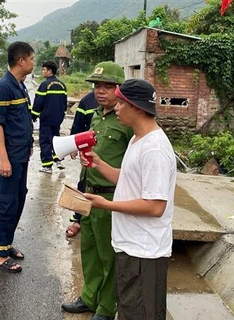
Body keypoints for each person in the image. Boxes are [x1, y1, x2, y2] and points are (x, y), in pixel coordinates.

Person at [83, 79, 176, 320]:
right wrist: (99, 164)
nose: (116, 108)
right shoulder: (137, 140)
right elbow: (130, 180)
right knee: (128, 310)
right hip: (129, 246)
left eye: (121, 103)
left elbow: (155, 206)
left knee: (140, 312)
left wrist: (107, 204)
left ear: (137, 107)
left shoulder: (154, 149)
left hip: (144, 252)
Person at [61, 61, 133, 320]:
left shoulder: (127, 120)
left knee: (109, 255)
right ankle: (89, 297)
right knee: (89, 250)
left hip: (110, 195)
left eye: (107, 86)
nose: (100, 91)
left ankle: (106, 306)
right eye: (97, 86)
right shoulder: (95, 115)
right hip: (88, 191)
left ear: (119, 89)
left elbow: (132, 162)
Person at [0, 41, 35, 273]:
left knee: (17, 200)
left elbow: (23, 120)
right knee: (5, 203)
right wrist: (3, 157)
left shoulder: (19, 86)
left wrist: (30, 144)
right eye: (31, 58)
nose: (34, 62)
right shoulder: (3, 87)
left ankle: (6, 243)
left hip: (21, 156)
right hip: (9, 158)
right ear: (21, 60)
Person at [0, 79, 32, 237]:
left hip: (15, 151)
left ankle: (3, 238)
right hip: (2, 149)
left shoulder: (21, 87)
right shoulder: (2, 88)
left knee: (10, 194)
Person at [65, 90, 98, 237]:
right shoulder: (86, 101)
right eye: (98, 85)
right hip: (88, 152)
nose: (102, 90)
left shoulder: (120, 104)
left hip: (110, 155)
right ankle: (78, 220)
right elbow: (78, 123)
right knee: (84, 183)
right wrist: (73, 146)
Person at [31, 61, 68, 174]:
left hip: (47, 118)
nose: (42, 72)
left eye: (44, 69)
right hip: (58, 118)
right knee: (56, 139)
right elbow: (64, 103)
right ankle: (58, 160)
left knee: (46, 140)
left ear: (49, 71)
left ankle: (47, 166)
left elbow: (39, 102)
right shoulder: (62, 85)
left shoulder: (45, 85)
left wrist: (34, 115)